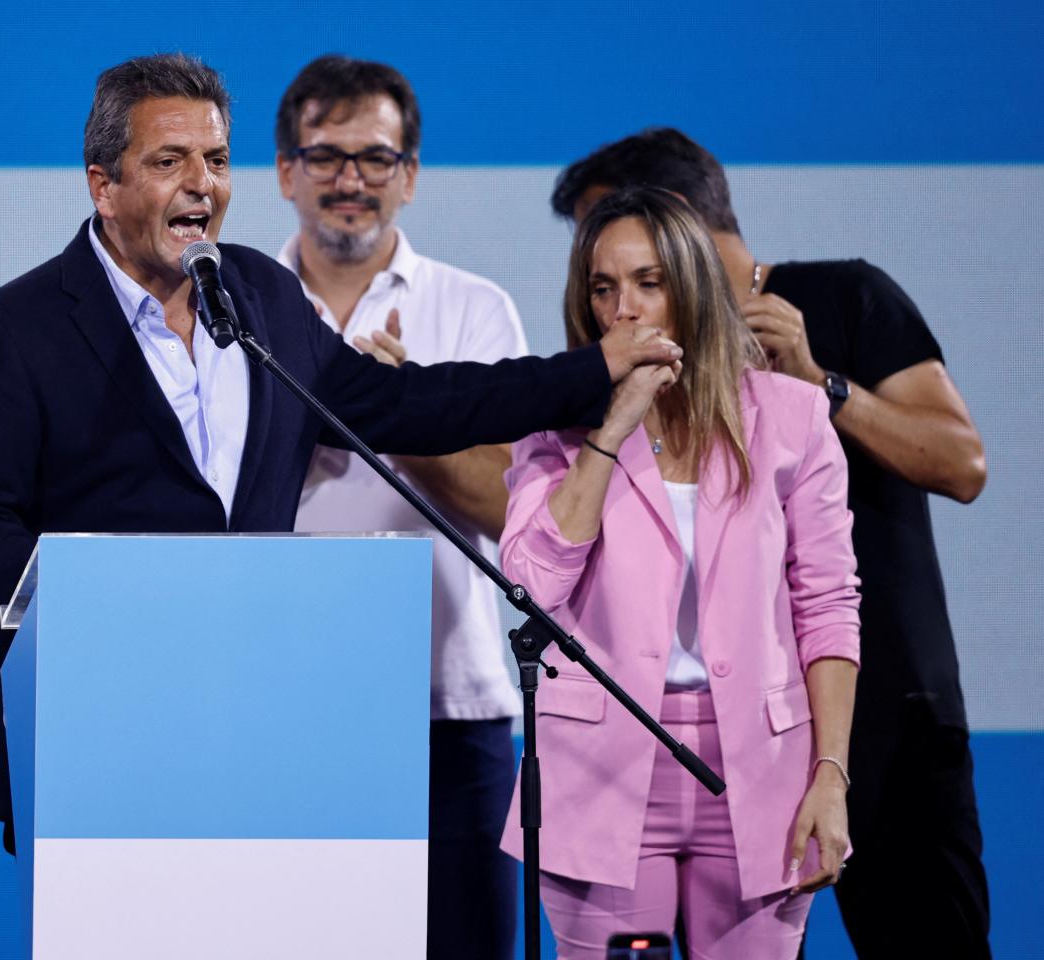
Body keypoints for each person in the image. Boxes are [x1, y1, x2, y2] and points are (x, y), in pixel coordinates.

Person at [0, 53, 681, 853]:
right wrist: (110, 596)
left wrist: (591, 370)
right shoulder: (15, 328)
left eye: (215, 160)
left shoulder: (261, 299)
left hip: (258, 716)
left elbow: (415, 403)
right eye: (168, 161)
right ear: (103, 185)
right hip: (93, 722)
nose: (201, 185)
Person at [551, 128, 991, 959]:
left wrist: (821, 384)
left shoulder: (847, 296)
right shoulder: (612, 380)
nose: (615, 289)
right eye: (599, 270)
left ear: (673, 222)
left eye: (628, 250)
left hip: (885, 699)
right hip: (718, 726)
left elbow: (963, 461)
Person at [498, 187, 859, 958]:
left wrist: (831, 773)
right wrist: (614, 423)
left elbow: (827, 605)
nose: (624, 308)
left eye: (648, 282)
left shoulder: (793, 418)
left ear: (691, 288)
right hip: (603, 775)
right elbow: (532, 582)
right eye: (604, 287)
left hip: (763, 774)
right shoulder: (558, 423)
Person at [273, 54, 524, 959]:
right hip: (277, 712)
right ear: (286, 172)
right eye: (327, 156)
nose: (351, 181)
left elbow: (515, 510)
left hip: (450, 713)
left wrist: (402, 413)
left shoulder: (474, 311)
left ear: (410, 176)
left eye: (375, 159)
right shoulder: (229, 312)